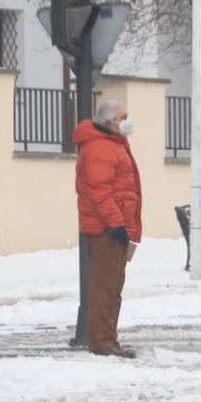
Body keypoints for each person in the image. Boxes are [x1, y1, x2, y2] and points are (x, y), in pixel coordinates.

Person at [73, 98, 143, 358]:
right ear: (109, 122)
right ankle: (102, 343)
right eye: (123, 117)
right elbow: (100, 191)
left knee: (113, 287)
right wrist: (116, 224)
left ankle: (109, 340)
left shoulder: (113, 144)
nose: (127, 122)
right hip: (105, 230)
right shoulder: (100, 148)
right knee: (105, 288)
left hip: (114, 227)